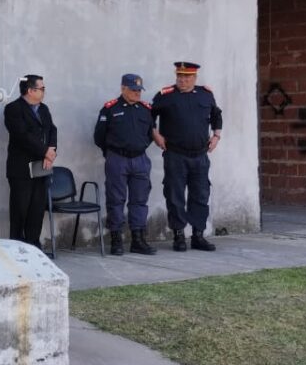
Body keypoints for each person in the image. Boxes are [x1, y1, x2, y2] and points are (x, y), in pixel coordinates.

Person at [151, 61, 223, 252]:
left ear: (195, 77)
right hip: (175, 155)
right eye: (179, 76)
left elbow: (217, 115)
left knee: (200, 195)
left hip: (200, 155)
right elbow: (148, 116)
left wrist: (216, 135)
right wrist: (155, 134)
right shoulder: (165, 95)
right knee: (175, 196)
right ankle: (179, 236)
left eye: (187, 77)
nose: (182, 80)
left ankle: (198, 236)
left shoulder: (205, 94)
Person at [94, 73, 156, 256]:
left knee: (139, 200)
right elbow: (99, 137)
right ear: (123, 88)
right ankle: (116, 240)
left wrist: (140, 147)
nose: (137, 93)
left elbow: (149, 134)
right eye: (133, 90)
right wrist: (111, 153)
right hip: (117, 159)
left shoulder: (146, 109)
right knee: (116, 200)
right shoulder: (110, 109)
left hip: (140, 159)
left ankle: (138, 239)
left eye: (139, 90)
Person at [4, 74, 57, 250]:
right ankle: (17, 246)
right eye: (42, 88)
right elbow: (22, 136)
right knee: (20, 208)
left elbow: (52, 130)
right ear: (30, 90)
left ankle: (34, 244)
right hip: (21, 168)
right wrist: (45, 152)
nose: (44, 91)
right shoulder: (13, 109)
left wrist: (52, 151)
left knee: (37, 208)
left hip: (41, 166)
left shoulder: (43, 109)